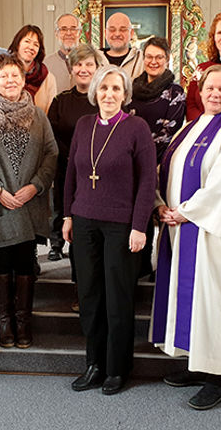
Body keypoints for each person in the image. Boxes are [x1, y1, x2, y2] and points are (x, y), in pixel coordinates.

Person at [150, 65, 221, 410]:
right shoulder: (190, 127)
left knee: (215, 302)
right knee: (195, 301)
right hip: (181, 229)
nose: (214, 94)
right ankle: (197, 364)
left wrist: (185, 212)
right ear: (199, 91)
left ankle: (219, 380)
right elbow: (164, 171)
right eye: (208, 88)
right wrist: (159, 206)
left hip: (214, 233)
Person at [63, 65, 156, 396]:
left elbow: (148, 180)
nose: (109, 95)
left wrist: (139, 226)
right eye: (104, 88)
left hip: (121, 225)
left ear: (125, 94)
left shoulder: (137, 128)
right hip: (84, 220)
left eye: (116, 89)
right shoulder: (85, 125)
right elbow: (72, 173)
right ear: (95, 93)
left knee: (118, 297)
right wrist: (68, 216)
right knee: (89, 295)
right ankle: (94, 363)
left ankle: (117, 368)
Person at [0, 53, 58, 349]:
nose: (10, 80)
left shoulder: (38, 116)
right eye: (3, 76)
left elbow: (51, 154)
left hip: (29, 202)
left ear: (23, 80)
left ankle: (24, 321)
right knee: (3, 261)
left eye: (15, 75)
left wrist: (36, 186)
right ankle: (5, 323)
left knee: (26, 262)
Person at [126, 36, 186, 279]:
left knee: (159, 211)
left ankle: (161, 271)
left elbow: (169, 130)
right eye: (149, 56)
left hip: (161, 162)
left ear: (167, 59)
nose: (153, 61)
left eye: (159, 57)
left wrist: (145, 156)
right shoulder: (131, 87)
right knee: (137, 213)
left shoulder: (175, 91)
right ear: (143, 58)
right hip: (131, 162)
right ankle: (138, 266)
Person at [46, 44, 101, 263]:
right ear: (71, 69)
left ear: (97, 68)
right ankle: (57, 243)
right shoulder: (61, 100)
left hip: (96, 168)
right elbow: (52, 135)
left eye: (89, 64)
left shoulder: (103, 100)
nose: (83, 69)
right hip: (65, 164)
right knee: (61, 204)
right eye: (78, 64)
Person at [8, 24, 57, 114]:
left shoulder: (48, 78)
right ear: (18, 44)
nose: (31, 47)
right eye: (27, 41)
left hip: (38, 127)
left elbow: (50, 116)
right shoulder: (3, 73)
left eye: (36, 44)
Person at [98, 13, 144, 81]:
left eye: (123, 30)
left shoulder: (143, 59)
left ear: (131, 33)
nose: (117, 34)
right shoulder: (94, 59)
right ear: (105, 33)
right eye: (112, 30)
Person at [44, 13, 80, 94]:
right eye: (63, 29)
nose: (68, 33)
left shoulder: (91, 62)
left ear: (79, 33)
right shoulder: (46, 65)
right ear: (56, 34)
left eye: (73, 29)